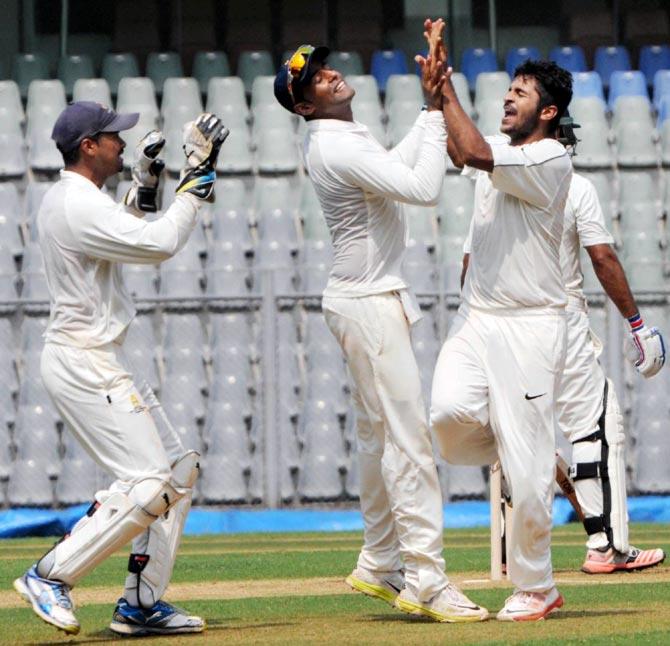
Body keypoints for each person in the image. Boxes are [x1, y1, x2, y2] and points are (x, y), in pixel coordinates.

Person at [273, 20, 488, 623]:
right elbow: (421, 187)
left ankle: (379, 559)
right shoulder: (336, 143)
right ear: (304, 104)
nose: (331, 73)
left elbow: (400, 173)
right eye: (316, 77)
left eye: (324, 66)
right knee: (408, 441)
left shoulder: (343, 135)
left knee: (378, 438)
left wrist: (428, 108)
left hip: (358, 298)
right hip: (367, 303)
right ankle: (426, 577)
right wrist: (430, 106)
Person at [13, 101, 228, 636]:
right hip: (84, 363)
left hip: (98, 356)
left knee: (178, 471)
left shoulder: (79, 198)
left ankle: (140, 603)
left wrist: (145, 187)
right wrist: (196, 179)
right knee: (151, 480)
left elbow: (120, 236)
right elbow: (156, 245)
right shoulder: (76, 204)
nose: (122, 141)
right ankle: (50, 575)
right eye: (113, 136)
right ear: (89, 147)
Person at [462, 119, 667, 578]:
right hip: (560, 319)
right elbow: (602, 257)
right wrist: (637, 324)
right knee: (596, 425)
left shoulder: (493, 193)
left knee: (529, 431)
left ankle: (528, 555)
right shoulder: (574, 185)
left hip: (500, 323)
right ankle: (607, 546)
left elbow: (469, 264)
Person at [429, 50, 574, 620]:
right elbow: (456, 147)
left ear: (549, 111)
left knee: (527, 463)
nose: (510, 97)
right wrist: (436, 91)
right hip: (477, 316)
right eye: (509, 88)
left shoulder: (551, 157)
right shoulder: (500, 151)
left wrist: (445, 91)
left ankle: (538, 585)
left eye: (522, 91)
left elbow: (470, 149)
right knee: (444, 416)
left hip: (532, 324)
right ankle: (522, 446)